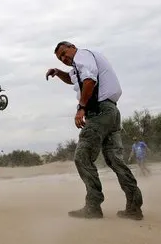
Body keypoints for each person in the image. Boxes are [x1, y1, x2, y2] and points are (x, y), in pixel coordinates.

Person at [46, 41, 144, 220]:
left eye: (64, 53)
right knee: (115, 160)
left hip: (99, 111)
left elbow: (90, 80)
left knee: (82, 156)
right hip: (111, 112)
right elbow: (74, 78)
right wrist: (58, 73)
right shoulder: (79, 65)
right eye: (60, 58)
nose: (64, 58)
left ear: (72, 47)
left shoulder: (82, 55)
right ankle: (134, 206)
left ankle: (93, 206)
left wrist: (81, 107)